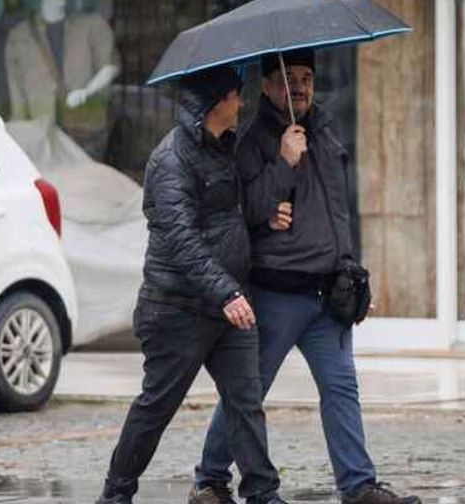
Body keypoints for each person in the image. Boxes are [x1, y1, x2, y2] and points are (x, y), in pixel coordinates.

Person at [192, 49, 421, 504]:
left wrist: (350, 269)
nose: (298, 86)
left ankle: (358, 487)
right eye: (287, 77)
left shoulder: (326, 129)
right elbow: (241, 212)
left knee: (341, 388)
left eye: (306, 78)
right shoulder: (252, 137)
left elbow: (337, 211)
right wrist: (283, 161)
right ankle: (210, 479)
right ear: (266, 85)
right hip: (276, 291)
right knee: (248, 391)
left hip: (327, 293)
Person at [96, 66, 288, 504]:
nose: (242, 104)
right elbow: (183, 238)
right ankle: (115, 494)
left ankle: (263, 494)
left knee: (246, 402)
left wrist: (263, 216)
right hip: (176, 310)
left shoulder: (226, 147)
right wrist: (226, 292)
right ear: (215, 102)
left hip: (227, 307)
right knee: (156, 407)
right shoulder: (171, 160)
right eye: (237, 96)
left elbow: (227, 215)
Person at [5, 0, 118, 160]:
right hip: (42, 130)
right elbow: (16, 91)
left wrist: (86, 91)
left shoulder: (92, 25)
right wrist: (22, 132)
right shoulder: (19, 36)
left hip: (85, 129)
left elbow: (110, 66)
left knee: (85, 180)